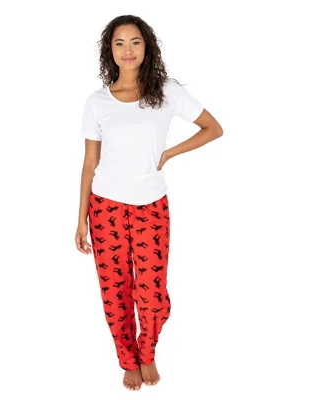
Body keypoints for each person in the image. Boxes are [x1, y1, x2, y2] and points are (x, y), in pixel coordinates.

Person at [75, 15, 223, 391]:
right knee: (115, 292)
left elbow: (213, 128)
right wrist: (80, 221)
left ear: (147, 47)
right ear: (109, 50)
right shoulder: (97, 102)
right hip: (105, 207)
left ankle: (147, 350)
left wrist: (170, 152)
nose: (128, 50)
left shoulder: (166, 91)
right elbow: (90, 163)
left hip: (151, 206)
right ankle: (128, 360)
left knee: (152, 296)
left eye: (135, 42)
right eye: (119, 43)